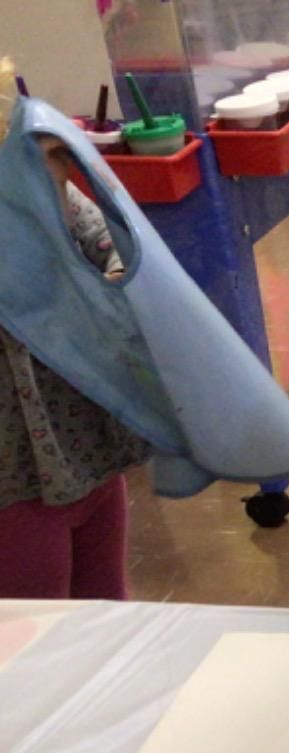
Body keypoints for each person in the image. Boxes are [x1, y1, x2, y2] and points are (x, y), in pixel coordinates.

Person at [0, 59, 149, 600]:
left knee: (107, 606)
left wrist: (115, 278)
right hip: (13, 480)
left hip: (87, 448)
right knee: (37, 630)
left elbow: (112, 247)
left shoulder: (42, 187)